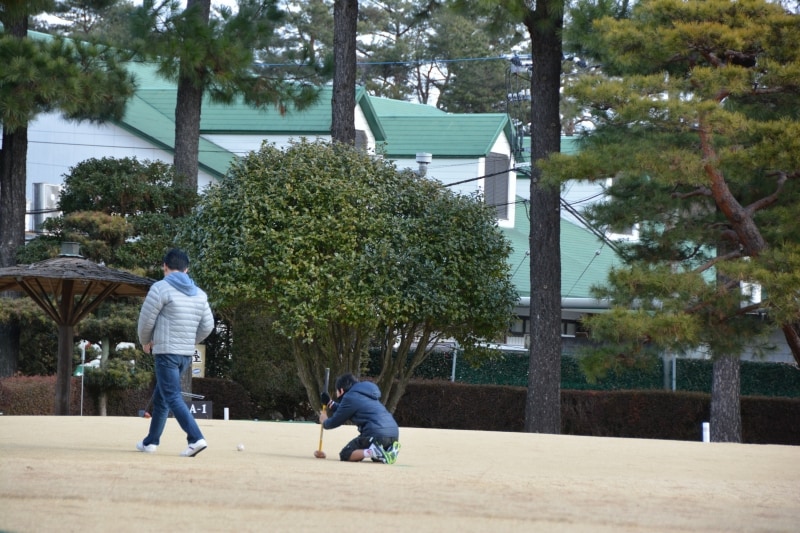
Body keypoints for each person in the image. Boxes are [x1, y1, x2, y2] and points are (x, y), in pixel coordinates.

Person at [136, 249, 214, 457]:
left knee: (171, 395)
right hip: (185, 355)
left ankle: (195, 438)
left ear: (165, 266)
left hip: (166, 352)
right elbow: (208, 326)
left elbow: (146, 320)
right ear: (187, 269)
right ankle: (150, 442)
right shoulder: (200, 294)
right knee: (162, 396)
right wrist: (190, 341)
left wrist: (145, 341)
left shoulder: (160, 288)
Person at [319, 373, 401, 464]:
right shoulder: (365, 393)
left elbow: (334, 422)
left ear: (341, 390)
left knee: (346, 454)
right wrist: (330, 403)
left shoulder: (349, 397)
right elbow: (345, 409)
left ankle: (373, 451)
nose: (336, 394)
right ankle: (388, 449)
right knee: (377, 457)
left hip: (376, 434)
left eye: (337, 391)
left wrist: (324, 421)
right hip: (393, 434)